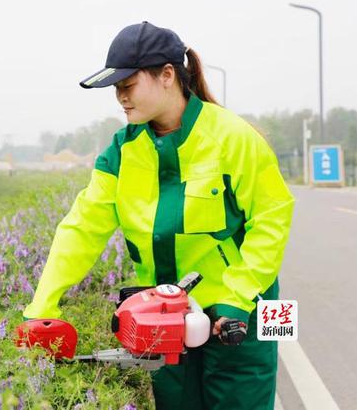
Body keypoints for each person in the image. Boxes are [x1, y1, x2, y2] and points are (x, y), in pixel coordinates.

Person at [22, 21, 295, 410]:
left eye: (127, 85)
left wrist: (238, 298)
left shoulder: (233, 137)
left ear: (167, 75)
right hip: (164, 320)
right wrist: (42, 308)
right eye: (116, 89)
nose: (121, 98)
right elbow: (81, 228)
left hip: (243, 315)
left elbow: (272, 217)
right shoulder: (122, 150)